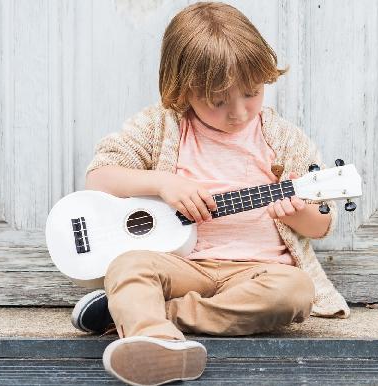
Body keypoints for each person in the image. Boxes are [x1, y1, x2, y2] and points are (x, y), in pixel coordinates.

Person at [69, 2, 350, 385]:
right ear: (183, 89)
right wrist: (163, 184)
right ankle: (153, 339)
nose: (238, 112)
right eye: (219, 101)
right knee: (128, 265)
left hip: (256, 272)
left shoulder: (283, 139)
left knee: (296, 292)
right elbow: (99, 178)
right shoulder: (161, 127)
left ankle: (154, 321)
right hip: (182, 267)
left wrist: (295, 214)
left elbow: (320, 224)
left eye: (251, 93)